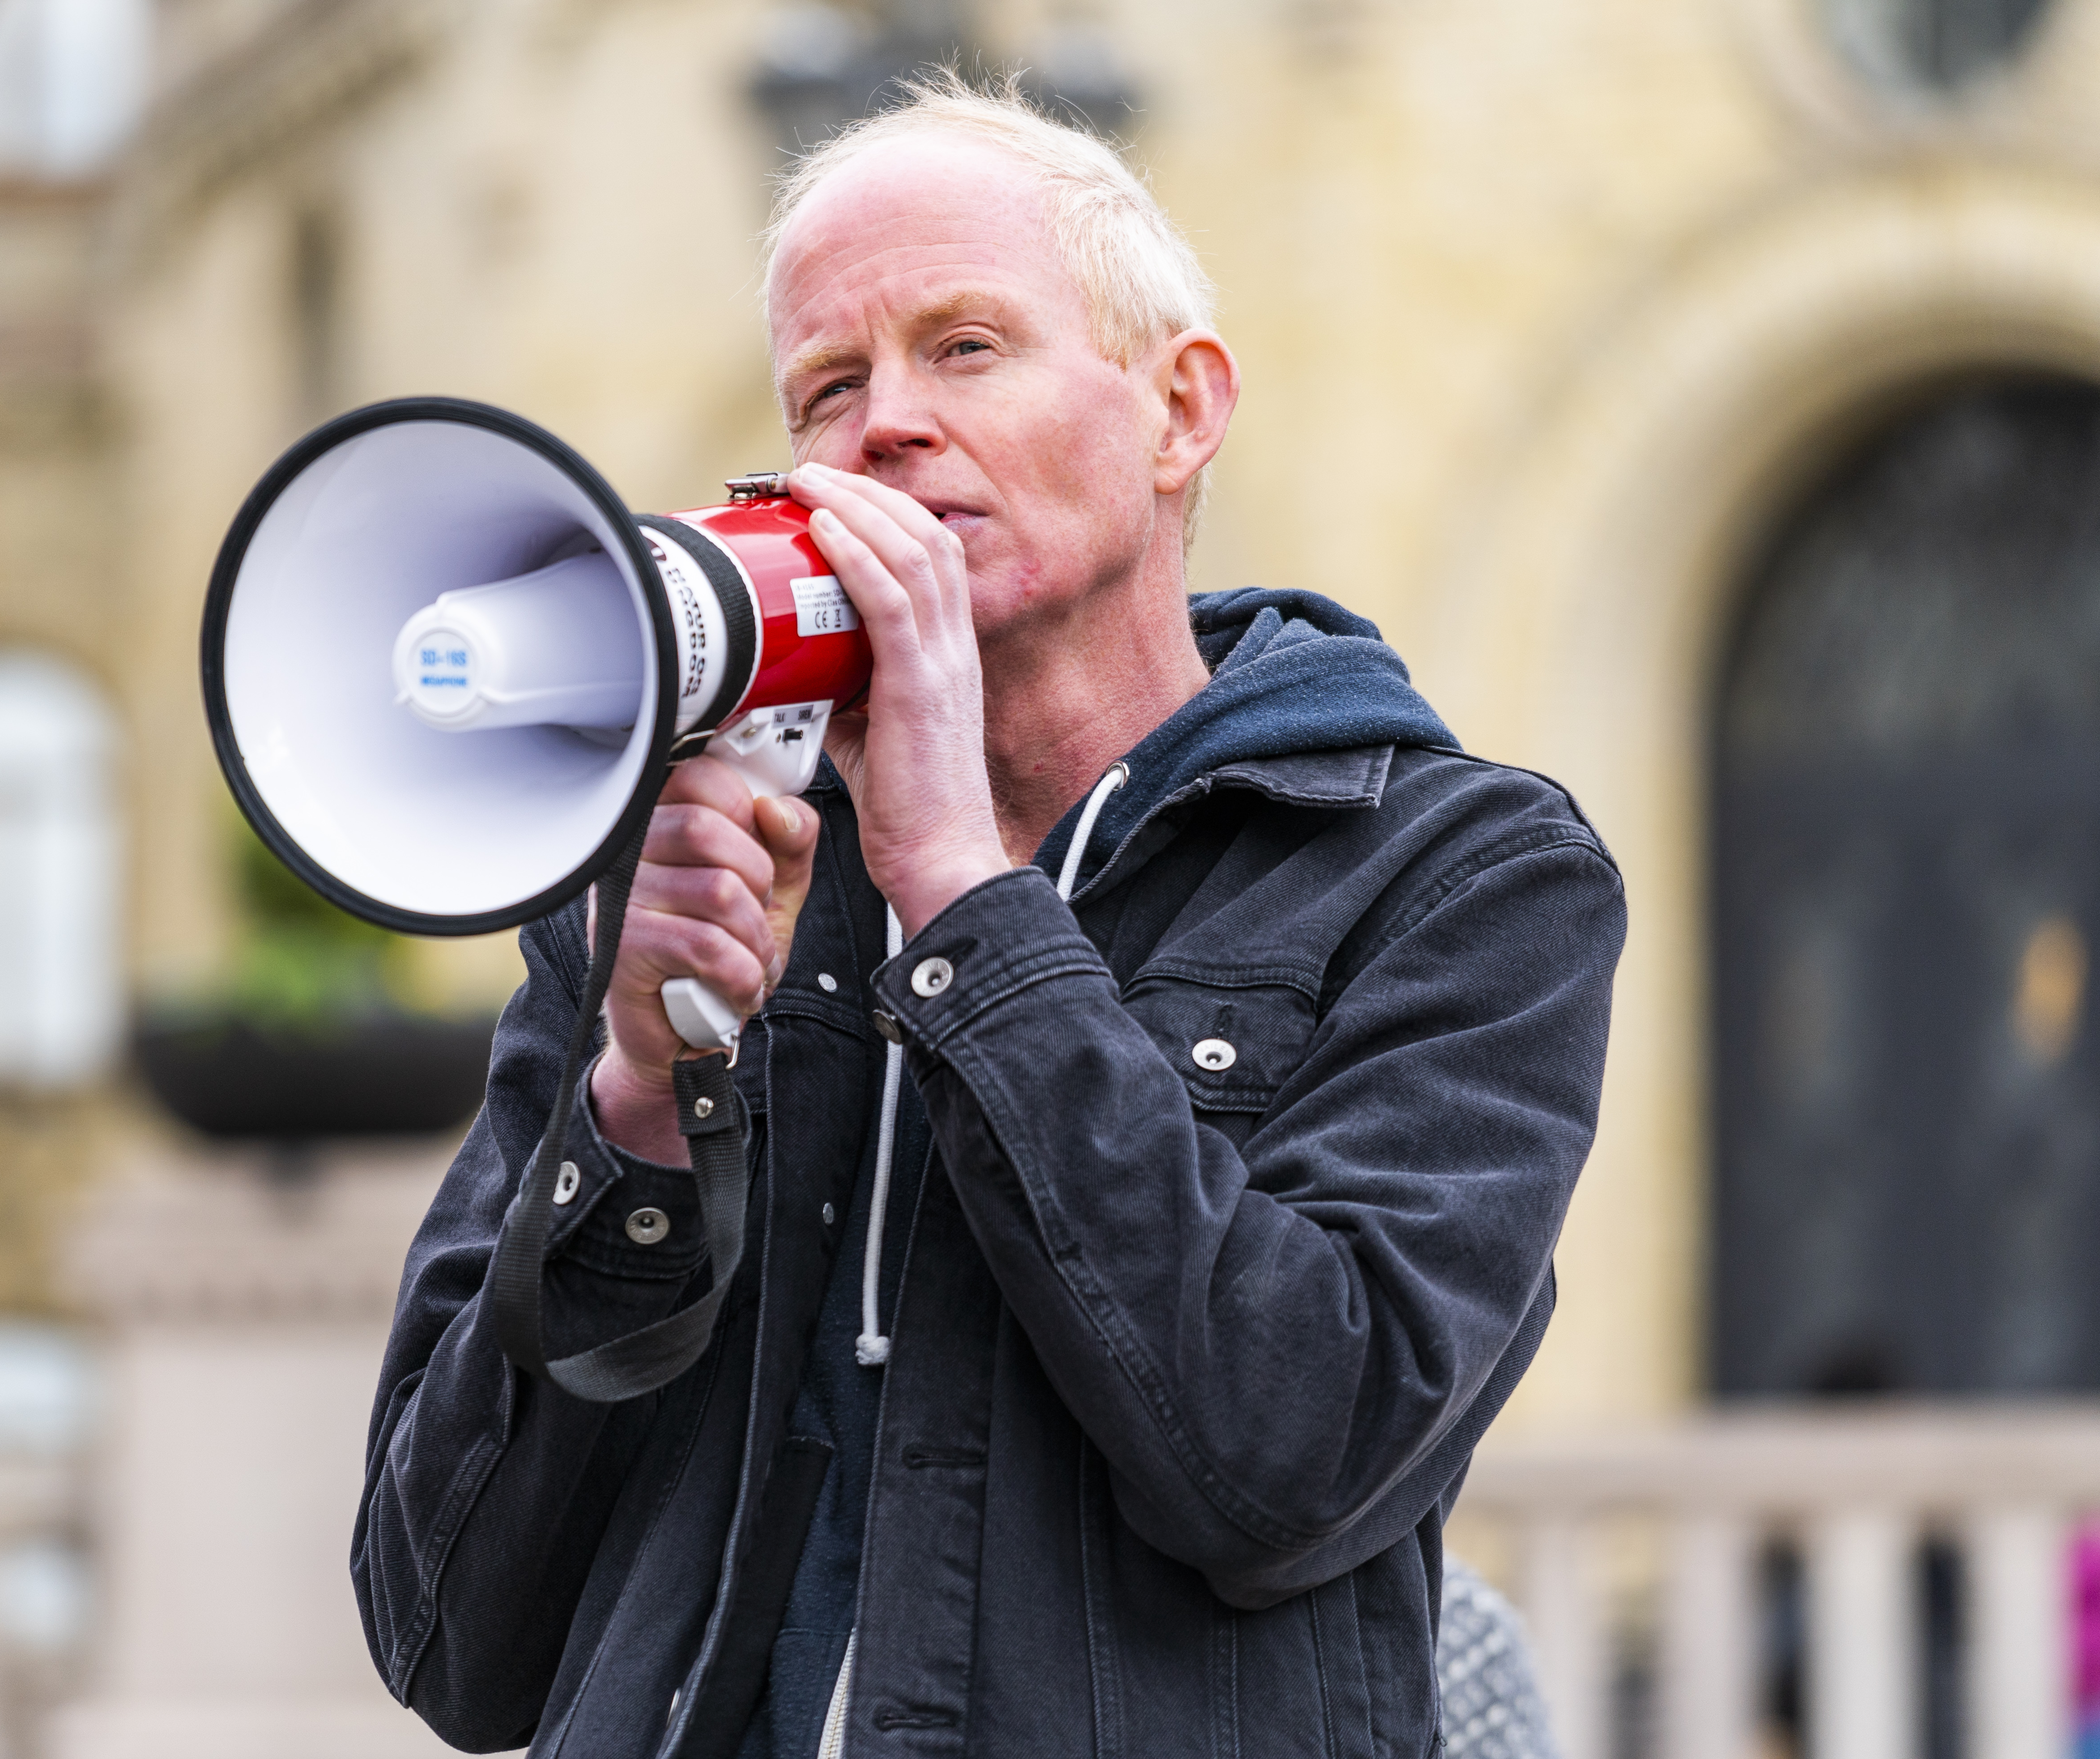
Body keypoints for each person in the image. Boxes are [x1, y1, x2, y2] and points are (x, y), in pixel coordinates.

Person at [354, 73, 1624, 1758]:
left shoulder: (1456, 878)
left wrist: (961, 896)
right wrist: (636, 1115)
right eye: (828, 382)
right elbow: (448, 1634)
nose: (881, 423)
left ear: (1180, 410)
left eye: (964, 347)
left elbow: (1284, 1460)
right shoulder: (679, 879)